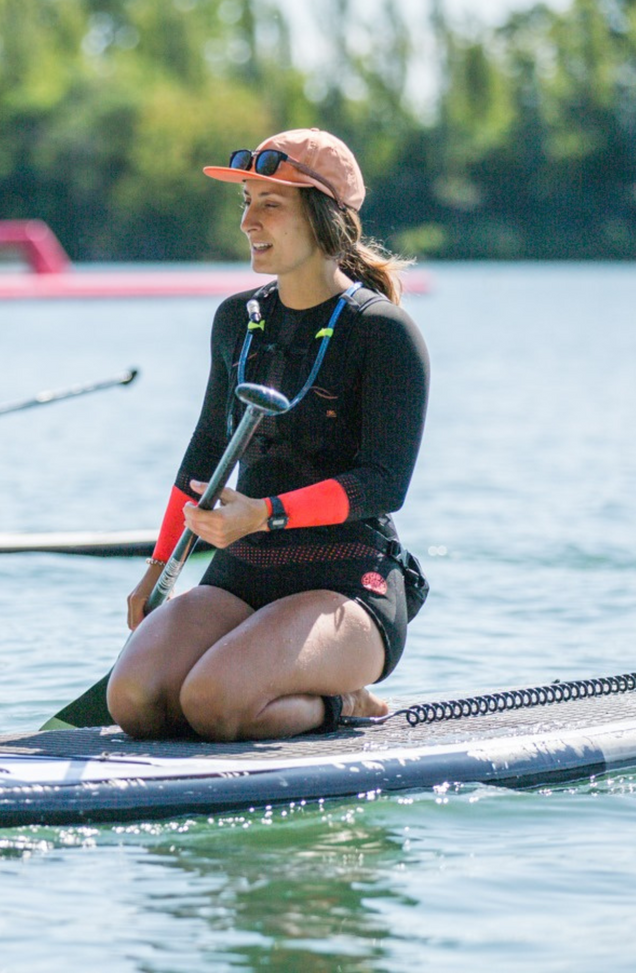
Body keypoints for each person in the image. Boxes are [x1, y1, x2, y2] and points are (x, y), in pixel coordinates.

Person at [106, 128, 430, 741]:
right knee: (134, 701)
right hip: (246, 572)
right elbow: (205, 454)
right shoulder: (237, 321)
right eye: (246, 202)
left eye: (269, 204)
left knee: (213, 704)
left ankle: (347, 700)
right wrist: (157, 571)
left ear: (325, 218)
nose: (248, 221)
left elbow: (383, 485)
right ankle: (269, 676)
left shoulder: (385, 332)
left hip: (349, 580)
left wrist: (265, 514)